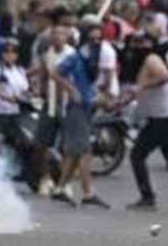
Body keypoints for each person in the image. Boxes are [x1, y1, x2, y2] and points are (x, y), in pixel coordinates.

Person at [122, 33, 168, 211]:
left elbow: (165, 76)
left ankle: (147, 197)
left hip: (165, 116)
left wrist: (142, 86)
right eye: (135, 42)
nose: (138, 46)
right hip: (166, 115)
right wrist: (119, 102)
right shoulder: (138, 64)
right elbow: (137, 91)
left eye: (143, 42)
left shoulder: (151, 59)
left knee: (137, 155)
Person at [47, 21, 111, 210]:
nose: (95, 41)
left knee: (74, 153)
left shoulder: (93, 56)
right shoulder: (76, 56)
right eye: (92, 37)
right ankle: (88, 193)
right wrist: (71, 89)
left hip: (85, 106)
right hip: (76, 108)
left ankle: (59, 189)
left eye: (98, 38)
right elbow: (55, 73)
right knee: (84, 151)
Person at [31, 22, 75, 197]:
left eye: (61, 34)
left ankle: (65, 182)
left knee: (68, 147)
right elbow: (43, 75)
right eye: (55, 34)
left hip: (66, 103)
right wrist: (39, 89)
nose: (57, 37)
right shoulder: (46, 54)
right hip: (49, 104)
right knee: (42, 144)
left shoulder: (72, 55)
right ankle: (46, 178)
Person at [0, 38, 30, 147]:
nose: (10, 54)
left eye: (14, 51)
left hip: (15, 114)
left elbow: (24, 90)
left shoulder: (20, 71)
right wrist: (5, 97)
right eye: (6, 51)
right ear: (1, 53)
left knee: (14, 147)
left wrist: (29, 95)